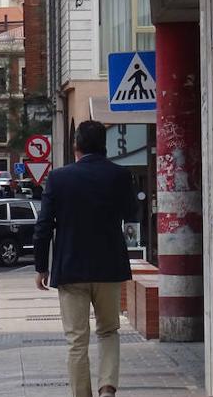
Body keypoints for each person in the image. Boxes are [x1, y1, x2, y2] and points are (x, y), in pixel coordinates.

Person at [34, 120, 136, 397]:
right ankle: (107, 389)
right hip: (108, 266)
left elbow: (43, 225)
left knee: (77, 340)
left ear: (75, 146)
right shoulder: (120, 175)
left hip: (70, 268)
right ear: (105, 145)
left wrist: (41, 267)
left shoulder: (58, 178)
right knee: (109, 331)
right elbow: (132, 213)